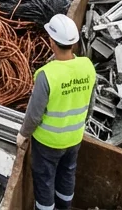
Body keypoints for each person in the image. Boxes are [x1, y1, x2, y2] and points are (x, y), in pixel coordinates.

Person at [19, 14, 96, 210]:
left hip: (47, 143)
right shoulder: (87, 67)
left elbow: (34, 115)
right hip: (74, 137)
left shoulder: (47, 75)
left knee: (44, 181)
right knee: (67, 174)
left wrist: (23, 134)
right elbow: (90, 105)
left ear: (52, 41)